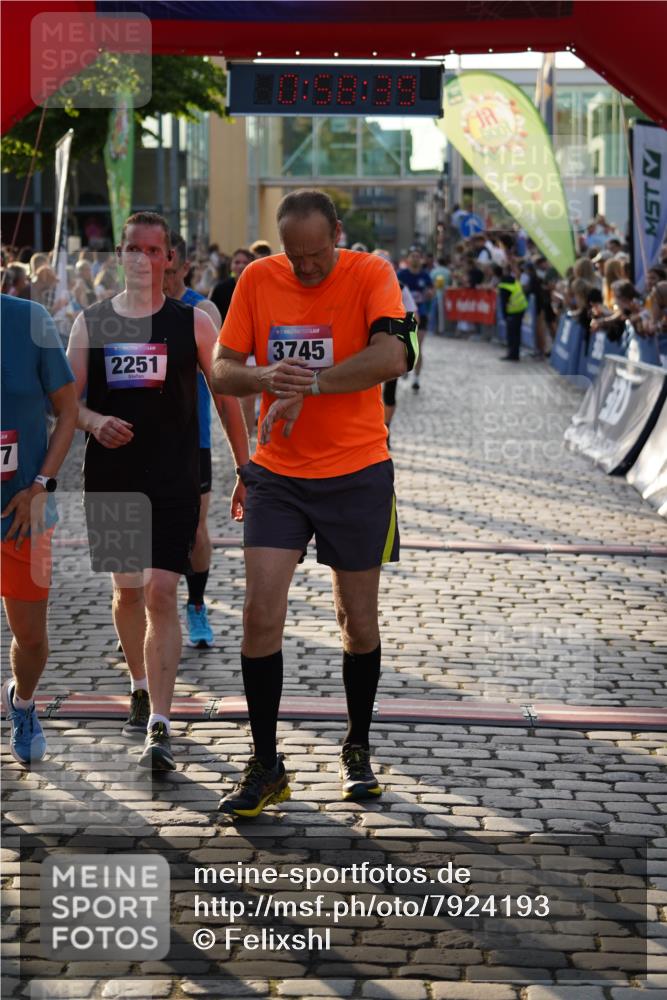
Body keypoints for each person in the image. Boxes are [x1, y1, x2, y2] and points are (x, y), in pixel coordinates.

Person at [211, 189, 417, 818]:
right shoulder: (257, 278)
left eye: (315, 254)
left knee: (357, 623)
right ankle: (266, 763)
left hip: (357, 472)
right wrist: (266, 379)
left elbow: (398, 354)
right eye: (294, 255)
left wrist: (315, 384)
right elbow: (221, 369)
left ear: (337, 234)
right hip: (278, 474)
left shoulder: (371, 274)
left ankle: (357, 745)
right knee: (259, 616)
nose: (304, 268)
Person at [66, 211, 249, 771]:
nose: (142, 259)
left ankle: (160, 725)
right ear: (118, 255)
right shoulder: (90, 324)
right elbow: (67, 404)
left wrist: (248, 466)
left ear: (169, 257)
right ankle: (139, 682)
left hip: (173, 477)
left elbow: (226, 398)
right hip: (113, 478)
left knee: (162, 593)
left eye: (153, 250)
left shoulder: (192, 323)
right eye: (132, 249)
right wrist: (95, 422)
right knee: (128, 594)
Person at [1, 294, 78, 763]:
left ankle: (23, 703)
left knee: (31, 638)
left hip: (24, 512)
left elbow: (67, 411)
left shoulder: (31, 320)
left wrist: (41, 485)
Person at [163, 231, 223, 648]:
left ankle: (196, 605)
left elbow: (221, 381)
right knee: (140, 533)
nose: (159, 277)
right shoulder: (121, 312)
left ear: (185, 267)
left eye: (168, 270)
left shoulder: (201, 311)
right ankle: (145, 611)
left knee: (196, 531)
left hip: (192, 441)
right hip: (139, 442)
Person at [397, 246, 433, 391]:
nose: (415, 258)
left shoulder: (425, 275)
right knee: (404, 345)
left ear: (421, 259)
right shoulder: (402, 274)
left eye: (418, 256)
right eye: (412, 256)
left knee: (417, 346)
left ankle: (416, 378)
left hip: (421, 313)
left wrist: (430, 293)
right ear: (408, 259)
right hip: (404, 314)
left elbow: (431, 290)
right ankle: (405, 366)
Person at [497, 263, 528, 362]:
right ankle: (515, 354)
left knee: (511, 334)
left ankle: (512, 355)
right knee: (516, 334)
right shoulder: (514, 281)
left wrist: (505, 316)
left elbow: (503, 302)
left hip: (513, 311)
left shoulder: (503, 284)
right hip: (521, 308)